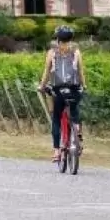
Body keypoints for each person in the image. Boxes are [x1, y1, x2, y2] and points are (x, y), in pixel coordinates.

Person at [38, 25, 87, 162]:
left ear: (58, 38)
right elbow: (80, 72)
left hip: (58, 90)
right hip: (74, 88)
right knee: (74, 109)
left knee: (56, 118)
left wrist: (42, 87)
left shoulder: (52, 52)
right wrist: (84, 85)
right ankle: (77, 131)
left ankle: (56, 151)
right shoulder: (76, 52)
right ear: (71, 38)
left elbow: (47, 72)